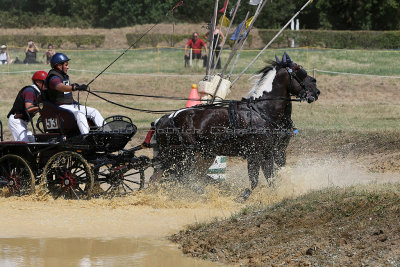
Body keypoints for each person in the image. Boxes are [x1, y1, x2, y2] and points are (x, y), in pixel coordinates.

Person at [45, 52, 104, 134]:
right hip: (60, 107)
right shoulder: (53, 77)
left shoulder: (63, 76)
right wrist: (74, 88)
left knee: (94, 112)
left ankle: (107, 133)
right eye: (66, 65)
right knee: (79, 114)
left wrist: (76, 88)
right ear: (59, 66)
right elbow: (60, 87)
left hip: (71, 105)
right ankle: (86, 137)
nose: (68, 67)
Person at [7, 71, 48, 142]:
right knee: (24, 145)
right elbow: (29, 108)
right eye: (45, 82)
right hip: (16, 121)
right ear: (38, 82)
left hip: (23, 122)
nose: (47, 85)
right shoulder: (30, 91)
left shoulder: (39, 92)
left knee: (33, 142)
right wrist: (40, 108)